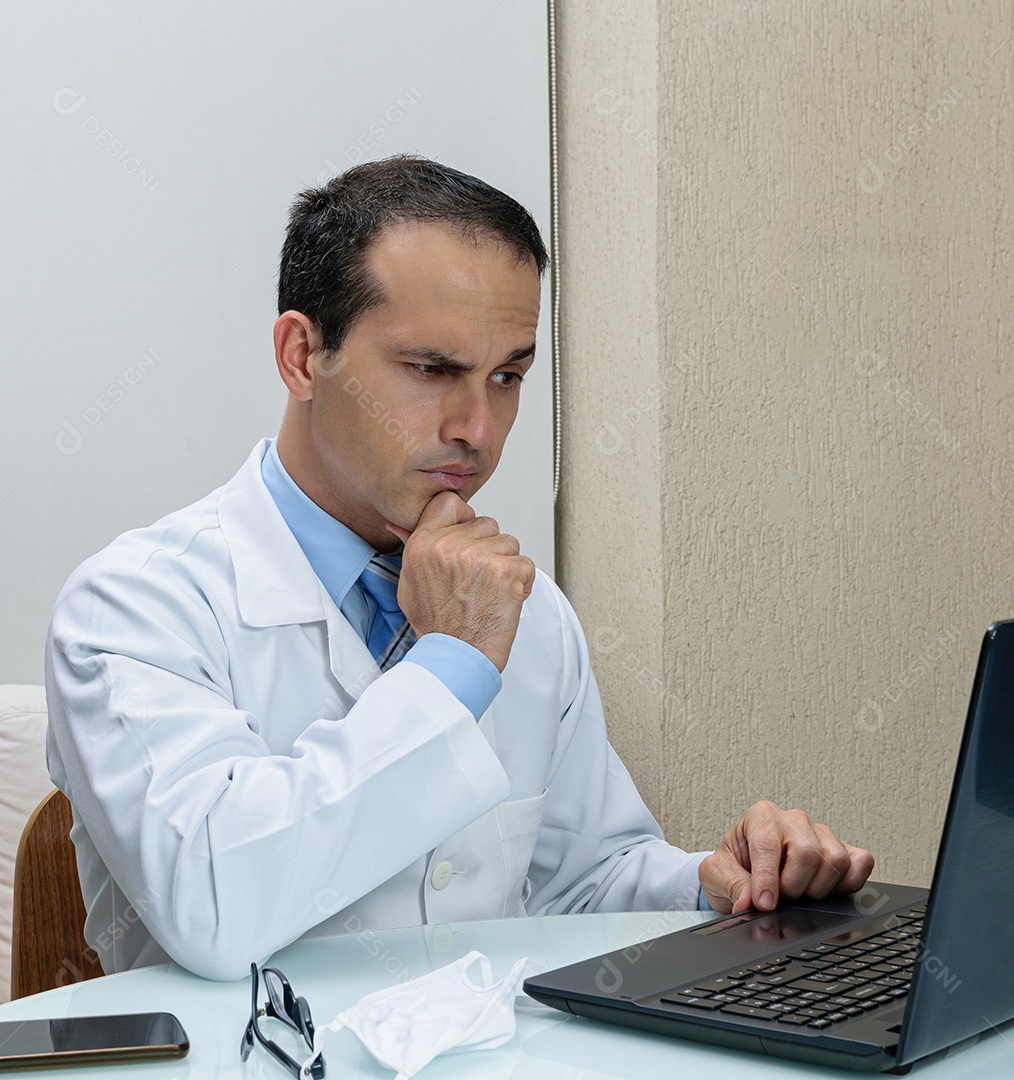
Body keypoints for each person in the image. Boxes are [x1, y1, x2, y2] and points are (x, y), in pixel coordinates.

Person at [45, 156, 873, 981]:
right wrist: (454, 665)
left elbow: (578, 886)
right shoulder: (134, 607)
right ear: (302, 356)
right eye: (433, 370)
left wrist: (716, 887)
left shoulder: (526, 608)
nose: (478, 427)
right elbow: (215, 906)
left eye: (508, 375)